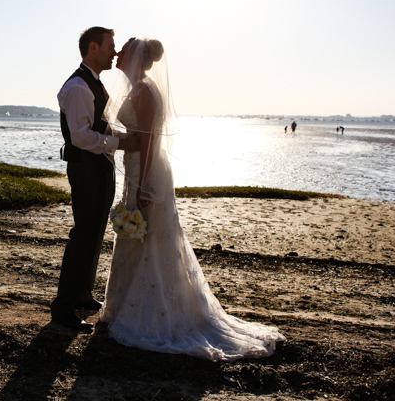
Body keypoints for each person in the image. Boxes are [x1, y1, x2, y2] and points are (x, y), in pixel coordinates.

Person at [100, 37, 285, 359]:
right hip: (137, 170)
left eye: (124, 50)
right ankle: (123, 305)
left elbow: (150, 141)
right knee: (143, 237)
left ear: (135, 58)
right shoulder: (137, 90)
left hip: (146, 173)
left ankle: (152, 311)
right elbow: (133, 137)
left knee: (151, 238)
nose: (117, 53)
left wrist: (143, 186)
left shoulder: (144, 91)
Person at [53, 27, 140, 332]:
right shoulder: (78, 86)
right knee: (83, 235)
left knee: (94, 233)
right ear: (93, 48)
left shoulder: (94, 83)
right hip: (86, 169)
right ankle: (62, 308)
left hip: (99, 167)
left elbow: (100, 128)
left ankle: (82, 294)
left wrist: (122, 138)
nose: (114, 52)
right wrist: (120, 144)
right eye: (110, 47)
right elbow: (80, 137)